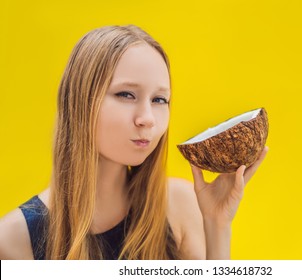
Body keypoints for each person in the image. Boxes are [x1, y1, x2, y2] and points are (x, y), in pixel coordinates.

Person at [0, 25, 268, 260]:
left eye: (159, 100)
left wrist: (217, 225)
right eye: (126, 94)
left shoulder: (180, 205)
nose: (148, 119)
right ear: (79, 102)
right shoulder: (12, 240)